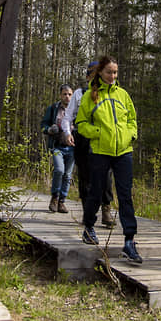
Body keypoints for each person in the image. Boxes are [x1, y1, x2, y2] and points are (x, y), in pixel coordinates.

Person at [75, 55, 142, 263]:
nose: (112, 76)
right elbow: (81, 123)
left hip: (123, 152)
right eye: (108, 72)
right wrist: (96, 133)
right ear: (100, 73)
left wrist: (131, 134)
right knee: (96, 191)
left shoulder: (123, 95)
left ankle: (129, 241)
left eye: (115, 72)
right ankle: (88, 227)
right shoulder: (90, 96)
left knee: (125, 196)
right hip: (100, 151)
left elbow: (132, 119)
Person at [62, 62, 116, 228]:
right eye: (92, 74)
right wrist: (68, 133)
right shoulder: (79, 94)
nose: (95, 77)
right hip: (83, 137)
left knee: (106, 174)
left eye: (98, 73)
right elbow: (67, 117)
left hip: (103, 137)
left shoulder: (109, 93)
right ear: (87, 77)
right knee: (85, 175)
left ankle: (106, 209)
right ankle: (87, 211)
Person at [41, 84, 75, 213]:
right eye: (64, 94)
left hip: (72, 147)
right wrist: (49, 129)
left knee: (67, 175)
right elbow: (43, 124)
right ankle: (54, 197)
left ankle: (62, 201)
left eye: (69, 94)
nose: (67, 97)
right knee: (59, 170)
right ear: (60, 95)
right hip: (57, 147)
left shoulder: (76, 110)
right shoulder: (54, 108)